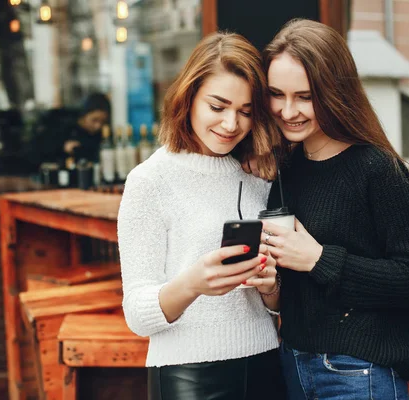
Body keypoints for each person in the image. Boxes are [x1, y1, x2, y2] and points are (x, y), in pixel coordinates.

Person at [253, 19, 409, 400]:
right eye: (277, 94)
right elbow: (293, 289)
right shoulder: (287, 169)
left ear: (334, 92)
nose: (288, 111)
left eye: (305, 97)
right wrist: (270, 285)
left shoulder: (376, 169)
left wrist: (320, 259)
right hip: (294, 365)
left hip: (360, 373)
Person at [117, 32, 285, 400]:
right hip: (188, 376)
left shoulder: (257, 178)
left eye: (245, 111)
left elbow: (275, 305)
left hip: (265, 364)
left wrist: (272, 287)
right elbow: (137, 315)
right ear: (189, 98)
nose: (230, 124)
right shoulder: (150, 180)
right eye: (218, 106)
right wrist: (193, 283)